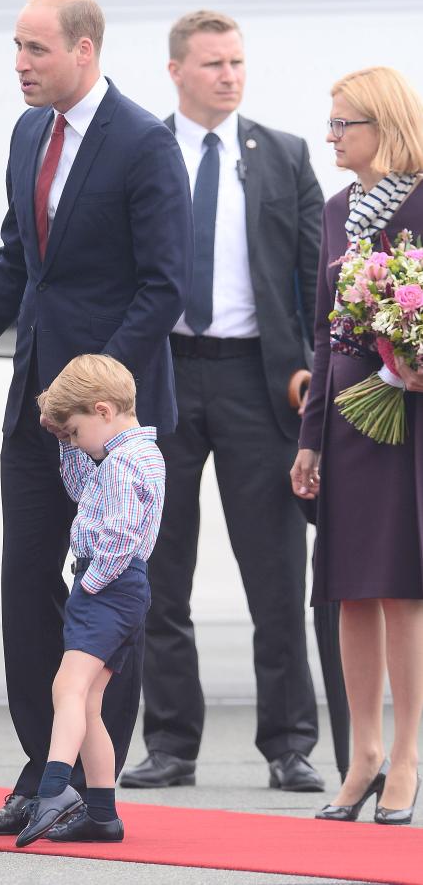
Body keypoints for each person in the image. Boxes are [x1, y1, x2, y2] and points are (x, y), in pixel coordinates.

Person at [0, 0, 193, 837]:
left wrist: (86, 392)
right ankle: (43, 773)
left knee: (104, 593)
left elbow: (161, 287)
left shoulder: (144, 144)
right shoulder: (29, 132)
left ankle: (94, 796)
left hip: (106, 425)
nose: (20, 65)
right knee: (25, 589)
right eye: (16, 47)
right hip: (31, 411)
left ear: (84, 49)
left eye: (36, 49)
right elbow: (14, 262)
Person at [121, 10, 325, 793]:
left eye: (236, 62)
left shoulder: (281, 155)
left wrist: (311, 375)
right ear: (176, 70)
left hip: (255, 380)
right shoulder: (142, 149)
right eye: (212, 63)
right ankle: (170, 742)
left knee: (274, 571)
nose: (229, 75)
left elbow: (312, 278)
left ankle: (288, 743)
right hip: (164, 371)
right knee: (160, 570)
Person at [292, 66, 423, 826]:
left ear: (384, 125)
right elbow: (323, 327)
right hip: (344, 415)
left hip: (406, 418)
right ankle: (362, 753)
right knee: (346, 589)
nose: (332, 136)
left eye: (344, 123)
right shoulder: (337, 208)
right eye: (331, 122)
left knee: (401, 588)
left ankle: (406, 753)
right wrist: (308, 439)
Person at [13, 354, 164, 846]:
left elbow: (120, 535)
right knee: (91, 701)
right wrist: (66, 443)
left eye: (75, 432)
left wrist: (92, 583)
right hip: (119, 587)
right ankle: (102, 813)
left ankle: (55, 787)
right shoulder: (129, 454)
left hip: (108, 586)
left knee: (67, 687)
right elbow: (82, 491)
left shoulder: (122, 463)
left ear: (102, 410)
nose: (74, 440)